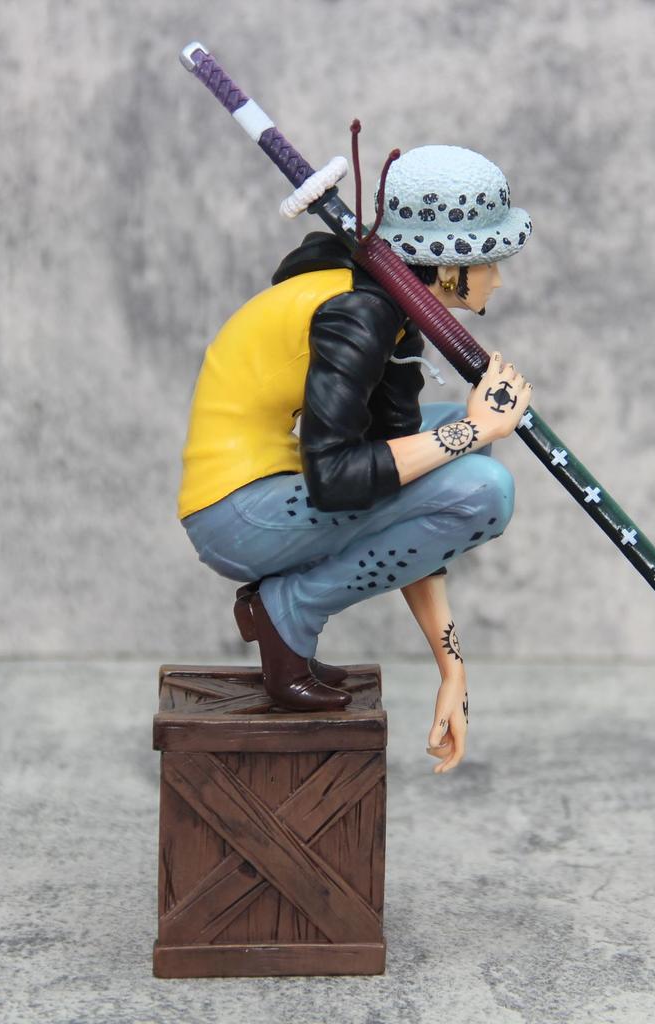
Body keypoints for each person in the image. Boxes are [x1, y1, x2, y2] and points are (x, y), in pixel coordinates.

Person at [177, 145, 532, 773]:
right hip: (234, 513)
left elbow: (406, 488)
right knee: (483, 486)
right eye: (489, 259)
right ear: (447, 264)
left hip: (277, 483)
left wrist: (452, 669)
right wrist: (474, 430)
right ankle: (289, 610)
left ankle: (287, 609)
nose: (497, 278)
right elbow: (338, 477)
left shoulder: (391, 313)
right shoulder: (360, 313)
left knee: (456, 452)